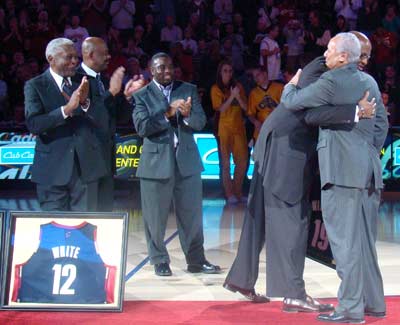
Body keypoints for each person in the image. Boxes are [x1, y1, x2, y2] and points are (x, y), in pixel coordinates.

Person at [224, 53, 375, 307]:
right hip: (285, 151)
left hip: (276, 145)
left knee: (258, 217)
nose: (364, 63)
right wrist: (356, 110)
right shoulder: (322, 68)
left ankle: (241, 278)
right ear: (344, 54)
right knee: (291, 221)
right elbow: (310, 114)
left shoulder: (327, 71)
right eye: (362, 56)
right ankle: (293, 294)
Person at [281, 32, 388, 324]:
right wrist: (364, 154)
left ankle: (351, 309)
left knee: (345, 244)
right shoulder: (370, 82)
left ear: (343, 57)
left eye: (329, 50)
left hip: (341, 173)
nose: (325, 55)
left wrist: (290, 85)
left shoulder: (331, 81)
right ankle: (373, 303)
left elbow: (294, 102)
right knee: (364, 242)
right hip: (368, 173)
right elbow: (382, 126)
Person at [132, 52, 221, 277]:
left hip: (187, 162)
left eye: (170, 66)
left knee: (192, 216)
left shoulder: (188, 89)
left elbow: (201, 122)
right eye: (161, 68)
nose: (167, 71)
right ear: (152, 70)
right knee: (155, 217)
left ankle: (196, 260)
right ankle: (159, 259)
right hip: (155, 163)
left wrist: (189, 114)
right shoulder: (142, 94)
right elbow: (142, 127)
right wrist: (168, 113)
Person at [25, 38, 108, 211]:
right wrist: (66, 109)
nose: (74, 62)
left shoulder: (86, 82)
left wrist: (85, 104)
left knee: (84, 230)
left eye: (75, 57)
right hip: (51, 171)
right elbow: (34, 124)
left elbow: (103, 118)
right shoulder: (35, 85)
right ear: (51, 59)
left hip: (85, 170)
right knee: (54, 230)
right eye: (68, 57)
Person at [76, 37, 146, 211]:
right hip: (84, 163)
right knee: (86, 215)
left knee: (104, 214)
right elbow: (83, 113)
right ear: (91, 54)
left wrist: (127, 97)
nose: (109, 57)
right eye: (104, 54)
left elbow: (118, 118)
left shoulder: (106, 81)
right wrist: (111, 93)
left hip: (106, 160)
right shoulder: (75, 79)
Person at [210, 60, 248, 204]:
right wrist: (232, 96)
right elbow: (220, 108)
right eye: (225, 70)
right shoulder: (215, 88)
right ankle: (229, 193)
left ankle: (238, 192)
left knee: (243, 161)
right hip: (223, 128)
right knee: (225, 163)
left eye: (230, 71)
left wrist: (237, 96)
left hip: (238, 128)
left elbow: (245, 107)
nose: (228, 73)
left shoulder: (238, 87)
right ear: (220, 72)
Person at [247, 67, 283, 142]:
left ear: (265, 74)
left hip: (278, 128)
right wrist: (255, 122)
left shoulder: (279, 87)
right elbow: (250, 114)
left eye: (258, 75)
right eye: (254, 77)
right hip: (262, 129)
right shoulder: (253, 93)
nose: (255, 79)